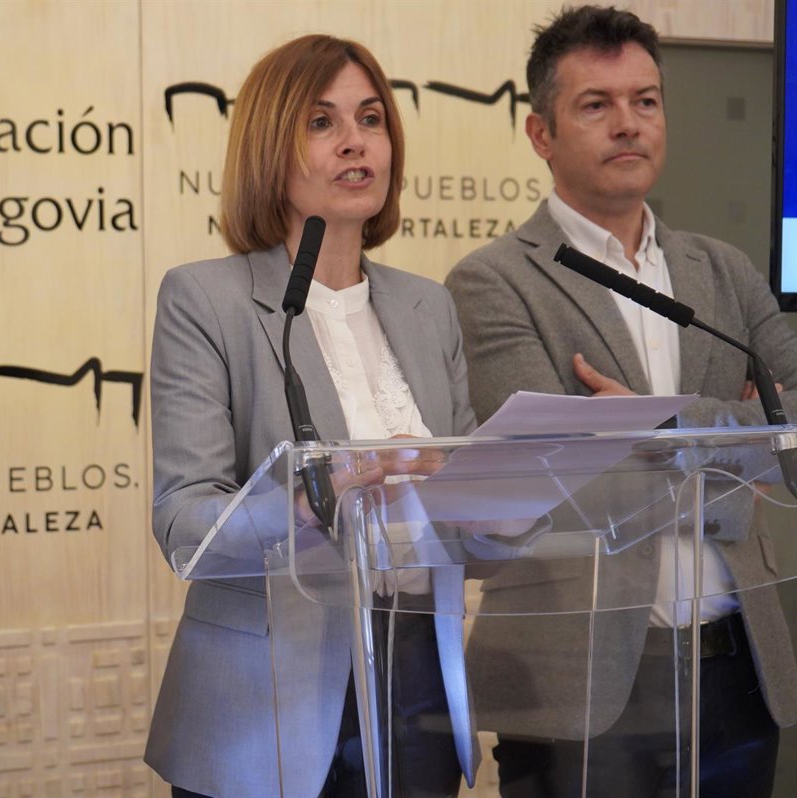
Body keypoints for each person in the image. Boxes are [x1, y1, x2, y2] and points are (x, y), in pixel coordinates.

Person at [445, 6, 797, 797]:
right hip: (580, 682)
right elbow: (552, 493)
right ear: (541, 134)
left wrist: (668, 424)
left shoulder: (724, 270)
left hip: (738, 670)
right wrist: (742, 462)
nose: (628, 124)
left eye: (645, 101)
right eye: (596, 104)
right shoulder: (492, 281)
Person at [146, 34, 475, 798]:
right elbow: (184, 524)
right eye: (322, 122)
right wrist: (310, 502)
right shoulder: (206, 300)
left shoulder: (429, 307)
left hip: (417, 683)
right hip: (264, 704)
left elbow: (473, 526)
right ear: (270, 148)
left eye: (371, 118)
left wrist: (498, 487)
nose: (355, 142)